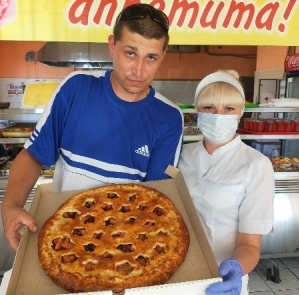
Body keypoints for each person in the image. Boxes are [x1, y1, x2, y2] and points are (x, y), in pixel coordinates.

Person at [2, 3, 183, 253]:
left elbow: (154, 201)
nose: (139, 70)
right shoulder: (76, 89)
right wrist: (11, 206)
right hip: (63, 239)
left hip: (125, 250)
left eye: (150, 57)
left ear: (162, 57)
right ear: (112, 46)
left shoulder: (169, 118)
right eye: (130, 53)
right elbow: (33, 156)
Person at [178, 70, 274, 295]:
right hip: (175, 275)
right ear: (197, 111)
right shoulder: (181, 155)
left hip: (221, 281)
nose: (218, 115)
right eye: (209, 108)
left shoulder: (256, 165)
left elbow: (250, 245)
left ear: (240, 114)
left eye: (228, 109)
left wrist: (236, 270)